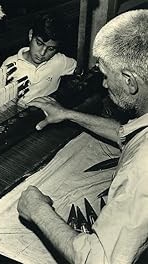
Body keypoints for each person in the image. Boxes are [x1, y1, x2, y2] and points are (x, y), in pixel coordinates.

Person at [17, 9, 148, 264]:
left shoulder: (142, 169)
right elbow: (127, 134)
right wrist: (68, 114)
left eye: (107, 76)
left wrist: (37, 208)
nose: (104, 85)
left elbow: (97, 260)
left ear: (130, 81)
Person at [2, 14, 77, 105]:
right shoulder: (10, 64)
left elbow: (82, 68)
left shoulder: (60, 61)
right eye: (39, 43)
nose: (42, 53)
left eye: (51, 49)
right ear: (30, 35)